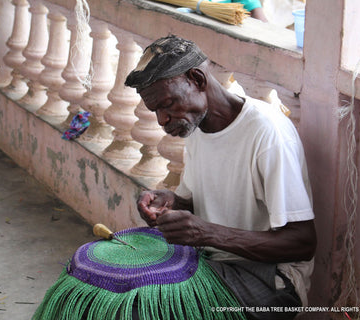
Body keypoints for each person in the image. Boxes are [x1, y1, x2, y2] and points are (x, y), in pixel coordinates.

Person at [125, 35, 316, 320]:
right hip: (215, 261)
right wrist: (171, 202)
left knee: (147, 309)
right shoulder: (198, 125)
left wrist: (207, 233)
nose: (162, 120)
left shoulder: (267, 133)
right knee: (116, 286)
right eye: (156, 111)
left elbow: (302, 242)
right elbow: (201, 203)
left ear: (197, 79)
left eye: (168, 104)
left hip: (273, 278)